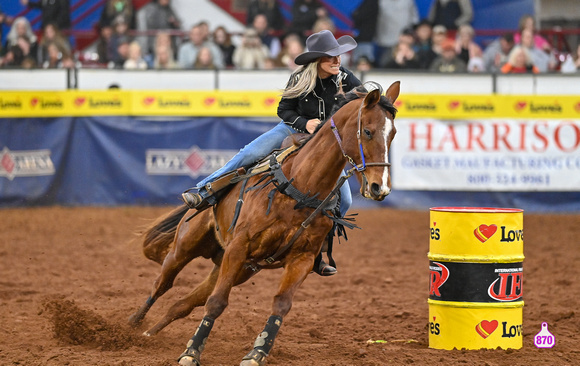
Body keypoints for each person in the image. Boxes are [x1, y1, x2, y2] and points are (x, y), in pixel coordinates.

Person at [182, 30, 361, 276]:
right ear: (316, 60)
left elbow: (365, 99)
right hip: (290, 129)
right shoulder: (299, 79)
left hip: (326, 143)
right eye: (330, 57)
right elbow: (283, 110)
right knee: (249, 154)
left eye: (338, 56)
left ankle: (318, 251)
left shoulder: (345, 78)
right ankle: (204, 189)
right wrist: (304, 123)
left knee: (346, 201)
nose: (337, 60)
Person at [375, 0, 419, 68]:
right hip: (384, 41)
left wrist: (412, 60)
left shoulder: (408, 1)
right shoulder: (381, 2)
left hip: (400, 40)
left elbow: (415, 20)